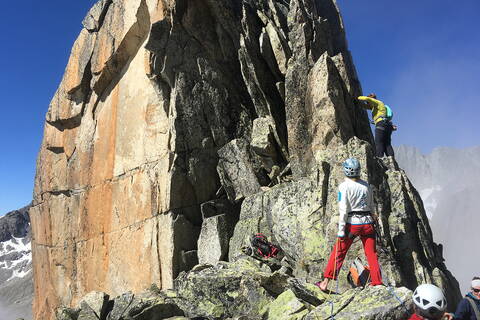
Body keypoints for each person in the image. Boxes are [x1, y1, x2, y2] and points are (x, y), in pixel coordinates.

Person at [315, 158, 383, 291]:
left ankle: (325, 283)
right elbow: (371, 205)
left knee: (339, 252)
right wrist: (374, 218)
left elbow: (343, 210)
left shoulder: (344, 187)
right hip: (368, 222)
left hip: (352, 224)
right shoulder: (366, 185)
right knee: (371, 253)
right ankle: (377, 281)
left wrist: (341, 231)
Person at [358, 93, 396, 158]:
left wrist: (357, 97)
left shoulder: (377, 103)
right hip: (388, 126)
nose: (367, 104)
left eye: (368, 102)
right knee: (387, 144)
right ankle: (391, 159)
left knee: (379, 142)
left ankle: (379, 158)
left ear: (372, 99)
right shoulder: (377, 106)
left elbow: (367, 99)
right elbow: (365, 106)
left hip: (381, 124)